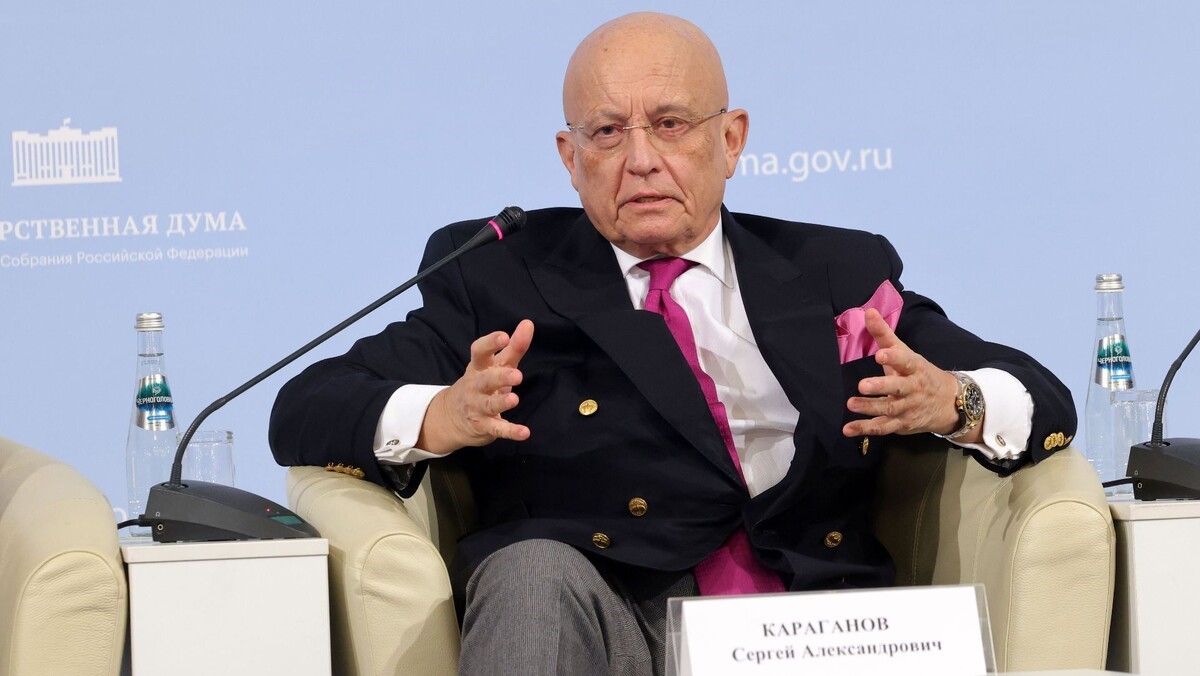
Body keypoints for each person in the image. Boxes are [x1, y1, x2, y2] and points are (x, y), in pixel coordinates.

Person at [270, 12, 1075, 675]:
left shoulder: (832, 269)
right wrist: (439, 416)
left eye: (670, 124)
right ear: (570, 158)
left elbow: (1041, 396)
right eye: (607, 132)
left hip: (821, 626)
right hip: (617, 617)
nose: (642, 160)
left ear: (731, 140)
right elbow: (305, 408)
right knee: (530, 573)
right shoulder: (499, 274)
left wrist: (956, 401)